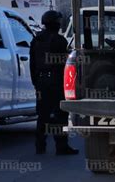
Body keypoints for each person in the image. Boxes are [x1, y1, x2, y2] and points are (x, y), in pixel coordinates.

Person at [30, 10, 78, 155]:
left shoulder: (36, 40)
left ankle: (40, 146)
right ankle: (61, 146)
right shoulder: (60, 40)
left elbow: (32, 64)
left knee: (42, 115)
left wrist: (36, 82)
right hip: (56, 82)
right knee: (60, 115)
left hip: (41, 81)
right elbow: (65, 65)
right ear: (56, 23)